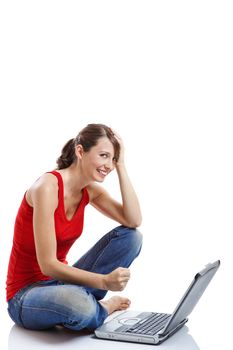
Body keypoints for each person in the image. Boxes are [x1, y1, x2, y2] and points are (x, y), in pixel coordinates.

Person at [6, 123, 142, 331]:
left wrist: (122, 165)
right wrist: (104, 282)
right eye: (104, 155)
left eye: (113, 159)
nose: (109, 165)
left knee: (132, 237)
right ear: (80, 151)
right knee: (82, 308)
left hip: (61, 285)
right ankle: (101, 308)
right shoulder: (47, 187)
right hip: (25, 296)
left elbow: (133, 220)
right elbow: (48, 265)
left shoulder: (90, 191)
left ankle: (79, 303)